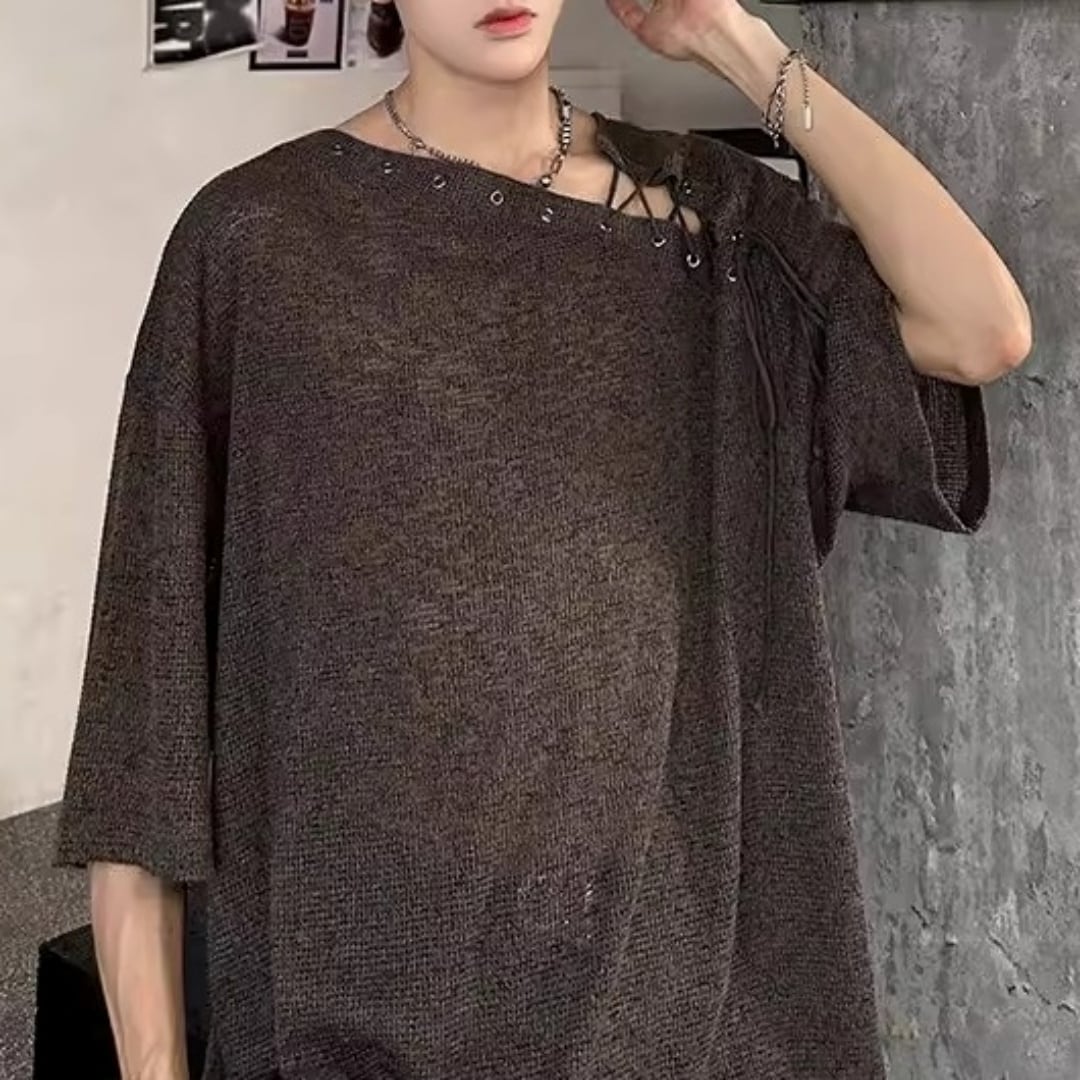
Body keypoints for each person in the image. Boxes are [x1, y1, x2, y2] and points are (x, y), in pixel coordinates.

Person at [54, 0, 1031, 1078]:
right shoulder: (259, 242)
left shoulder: (707, 224)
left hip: (692, 1011)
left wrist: (731, 40)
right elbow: (142, 723)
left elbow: (978, 329)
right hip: (365, 1014)